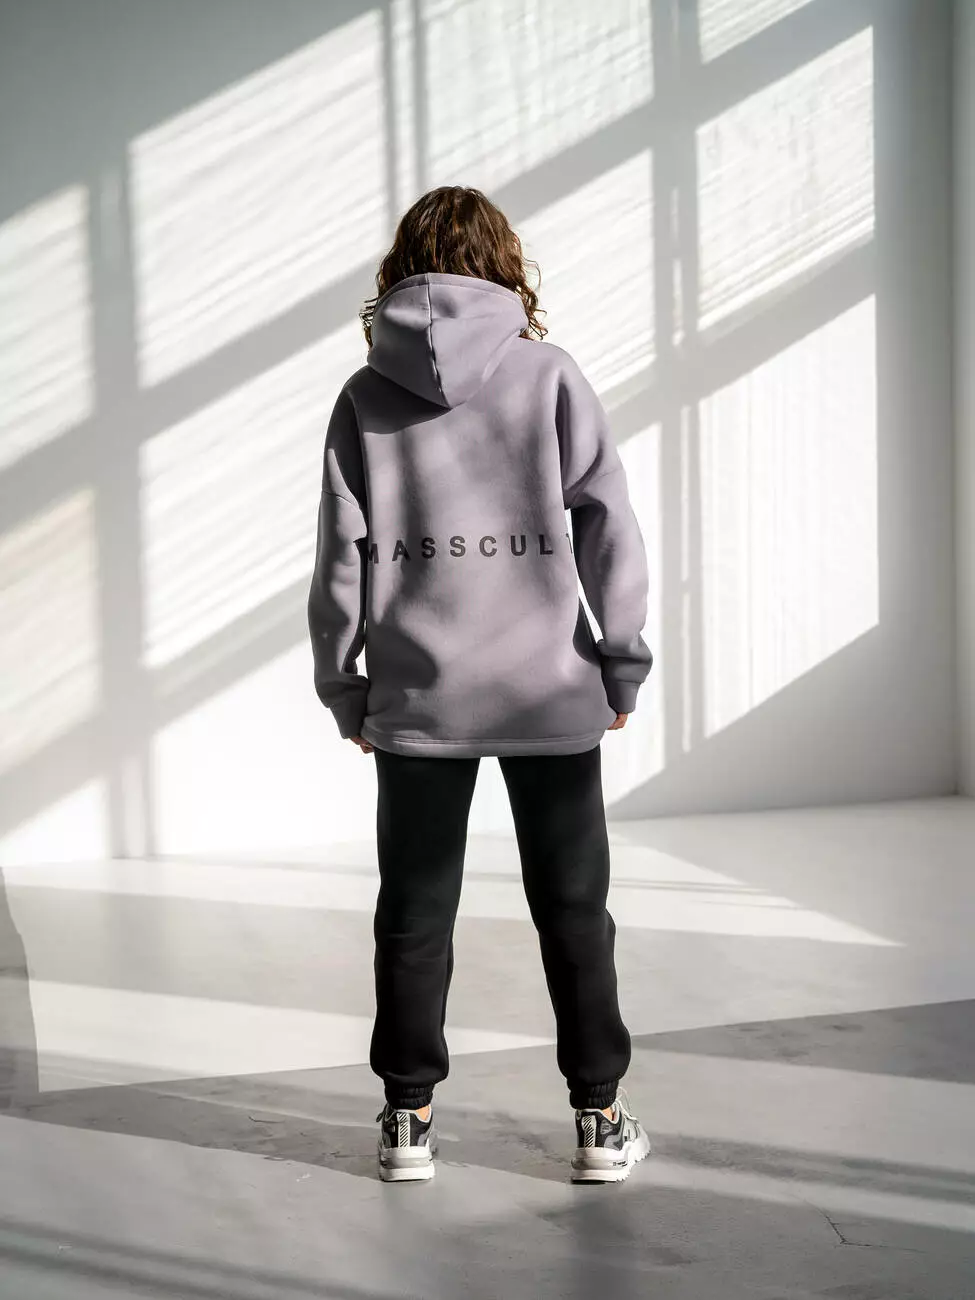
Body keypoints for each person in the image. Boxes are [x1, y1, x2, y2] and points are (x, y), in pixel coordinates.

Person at [307, 186, 654, 1184]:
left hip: (420, 696)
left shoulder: (365, 394)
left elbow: (342, 553)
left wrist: (344, 684)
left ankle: (406, 1122)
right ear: (504, 263)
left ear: (399, 270)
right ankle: (599, 1120)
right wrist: (620, 657)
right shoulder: (548, 373)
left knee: (414, 914)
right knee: (575, 909)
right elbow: (607, 521)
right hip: (549, 687)